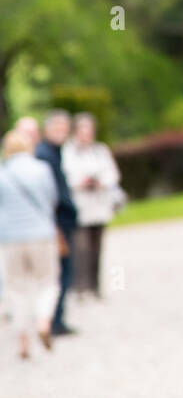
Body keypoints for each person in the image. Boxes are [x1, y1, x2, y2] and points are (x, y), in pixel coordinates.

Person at [0, 127, 59, 359]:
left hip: (11, 238)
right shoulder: (41, 169)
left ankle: (22, 339)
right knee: (47, 282)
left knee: (16, 289)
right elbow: (51, 199)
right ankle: (43, 321)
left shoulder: (2, 173)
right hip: (41, 234)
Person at [62, 113, 122, 299]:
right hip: (79, 207)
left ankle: (95, 287)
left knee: (97, 249)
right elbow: (65, 177)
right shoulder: (68, 152)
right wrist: (82, 182)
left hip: (99, 205)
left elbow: (113, 174)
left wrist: (100, 182)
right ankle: (80, 288)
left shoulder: (100, 150)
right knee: (80, 249)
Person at [35, 110, 79, 336]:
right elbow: (50, 195)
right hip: (56, 224)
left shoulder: (54, 153)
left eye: (65, 128)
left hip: (59, 221)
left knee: (61, 273)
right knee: (59, 273)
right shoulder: (46, 155)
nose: (62, 132)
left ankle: (56, 319)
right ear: (47, 129)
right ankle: (53, 320)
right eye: (57, 128)